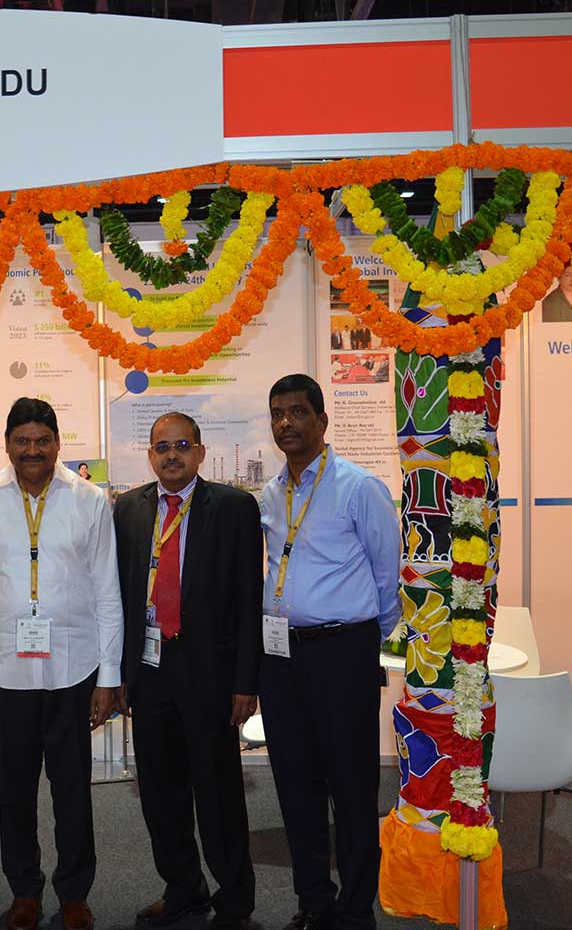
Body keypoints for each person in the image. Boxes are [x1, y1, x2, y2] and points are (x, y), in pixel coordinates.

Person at [0, 397, 122, 930]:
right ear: (6, 445)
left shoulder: (89, 499)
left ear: (57, 444)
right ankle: (24, 890)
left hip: (74, 669)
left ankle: (74, 892)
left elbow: (108, 592)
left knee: (73, 791)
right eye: (22, 441)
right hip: (3, 671)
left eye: (42, 441)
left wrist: (109, 677)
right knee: (16, 791)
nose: (32, 451)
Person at [258, 374, 401, 930]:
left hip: (343, 653)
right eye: (277, 413)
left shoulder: (358, 487)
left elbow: (387, 575)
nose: (286, 423)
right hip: (281, 657)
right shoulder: (270, 494)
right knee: (295, 785)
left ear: (321, 420)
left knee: (352, 785)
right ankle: (313, 901)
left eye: (297, 412)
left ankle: (356, 909)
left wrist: (364, 641)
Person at [114, 412, 262, 930]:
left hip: (210, 674)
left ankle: (235, 901)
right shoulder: (128, 509)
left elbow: (249, 599)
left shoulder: (235, 507)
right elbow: (120, 596)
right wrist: (119, 674)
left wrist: (246, 682)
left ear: (200, 452)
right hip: (151, 670)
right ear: (150, 455)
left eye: (182, 446)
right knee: (159, 791)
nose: (172, 455)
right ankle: (183, 889)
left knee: (217, 791)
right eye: (162, 447)